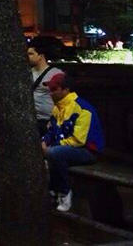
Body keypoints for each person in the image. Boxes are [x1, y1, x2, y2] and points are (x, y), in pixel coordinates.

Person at [41, 73, 104, 212]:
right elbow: (52, 130)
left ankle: (64, 191)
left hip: (88, 150)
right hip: (66, 147)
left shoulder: (82, 108)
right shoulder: (58, 108)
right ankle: (53, 191)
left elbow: (78, 140)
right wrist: (44, 141)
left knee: (55, 153)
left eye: (54, 89)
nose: (50, 93)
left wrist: (51, 147)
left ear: (66, 89)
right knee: (51, 152)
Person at [27, 40, 64, 136]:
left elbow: (62, 98)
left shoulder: (55, 74)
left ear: (41, 56)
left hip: (48, 119)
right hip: (32, 119)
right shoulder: (27, 73)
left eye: (31, 54)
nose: (28, 56)